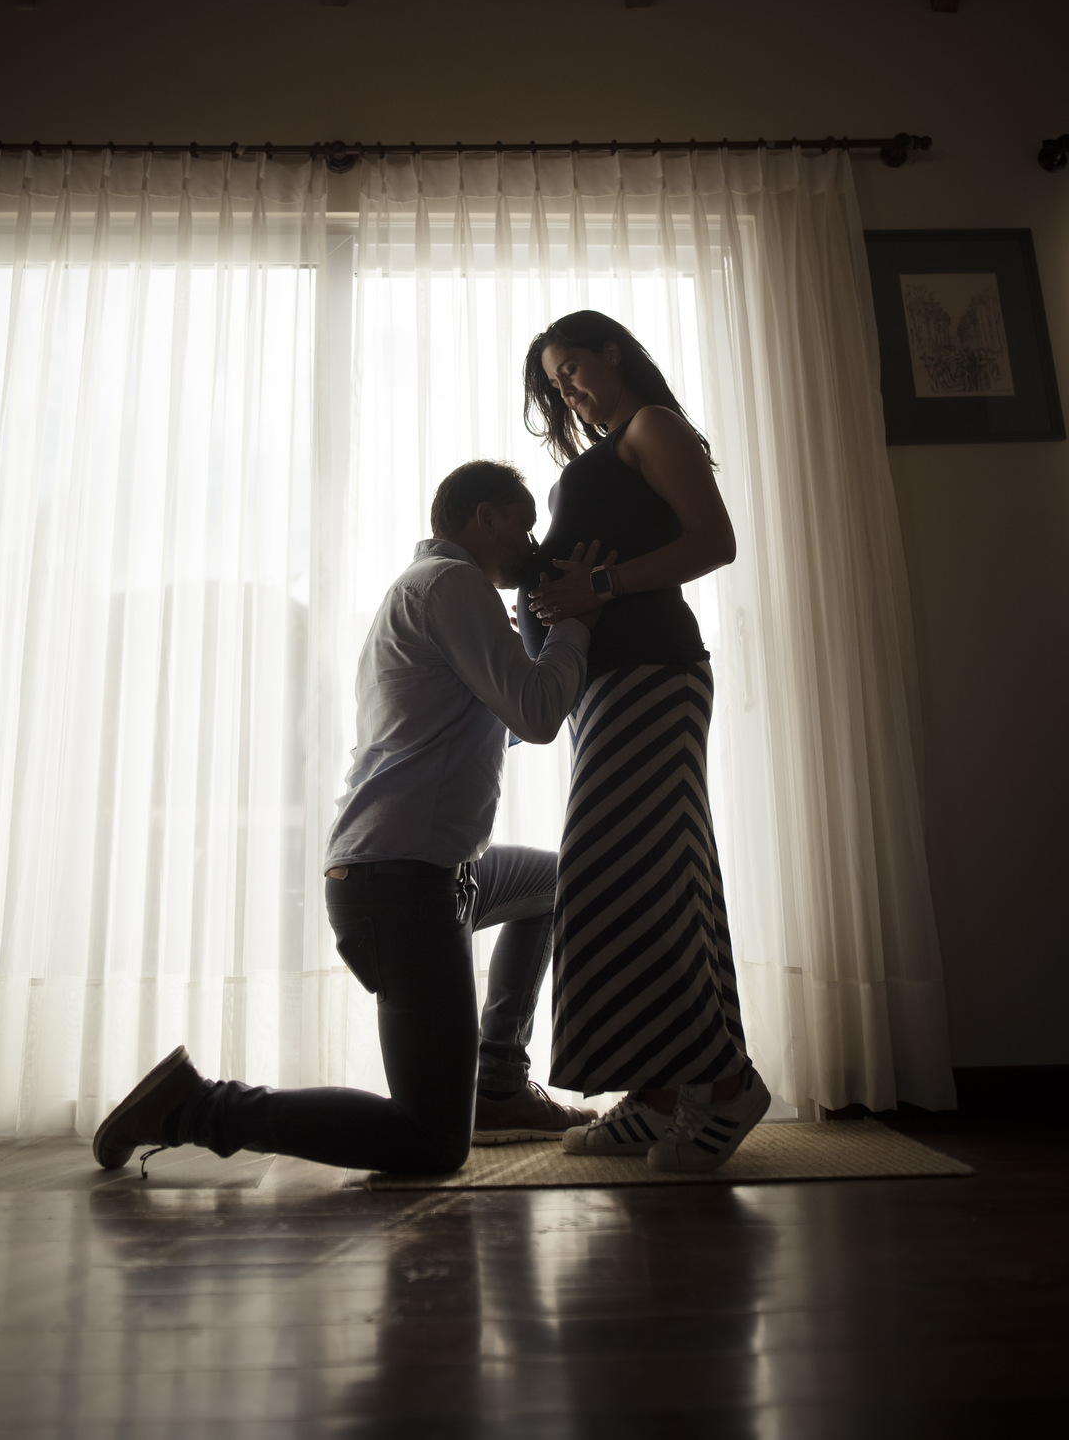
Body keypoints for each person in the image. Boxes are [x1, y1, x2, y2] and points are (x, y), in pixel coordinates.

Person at [93, 459, 601, 1176]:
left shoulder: (427, 590)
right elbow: (540, 712)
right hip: (399, 884)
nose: (532, 541)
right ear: (482, 517)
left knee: (559, 879)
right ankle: (196, 1105)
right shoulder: (452, 584)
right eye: (522, 524)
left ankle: (499, 1083)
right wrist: (577, 621)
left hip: (426, 871)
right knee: (430, 1144)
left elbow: (510, 719)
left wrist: (538, 628)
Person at [516, 310, 771, 1174]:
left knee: (633, 869)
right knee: (649, 870)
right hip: (606, 684)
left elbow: (715, 540)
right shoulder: (606, 447)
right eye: (556, 383)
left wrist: (598, 582)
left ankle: (727, 1083)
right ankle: (661, 1090)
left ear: (612, 352)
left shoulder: (652, 427)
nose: (569, 389)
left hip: (654, 673)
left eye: (574, 367)